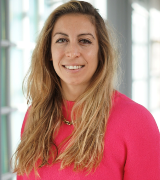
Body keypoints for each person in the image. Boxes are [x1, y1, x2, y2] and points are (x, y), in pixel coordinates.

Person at [12, 1, 160, 180]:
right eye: (62, 40)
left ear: (101, 52)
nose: (72, 51)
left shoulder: (136, 121)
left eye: (84, 41)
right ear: (48, 52)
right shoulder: (36, 115)